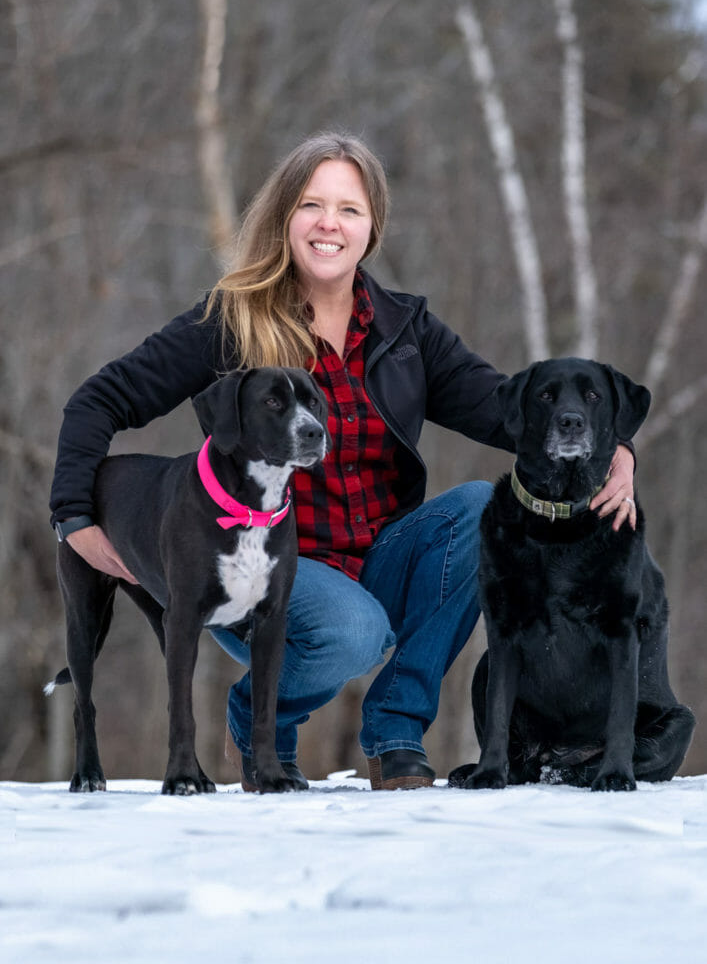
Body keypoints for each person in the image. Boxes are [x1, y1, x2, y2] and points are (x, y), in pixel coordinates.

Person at [50, 131, 637, 790]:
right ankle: (256, 718)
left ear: (371, 227)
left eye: (349, 209)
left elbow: (506, 410)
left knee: (480, 508)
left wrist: (614, 447)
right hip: (262, 570)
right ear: (283, 218)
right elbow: (97, 401)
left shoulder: (406, 331)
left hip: (374, 564)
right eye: (311, 205)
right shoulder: (229, 323)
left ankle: (393, 731)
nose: (330, 223)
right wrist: (74, 516)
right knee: (352, 629)